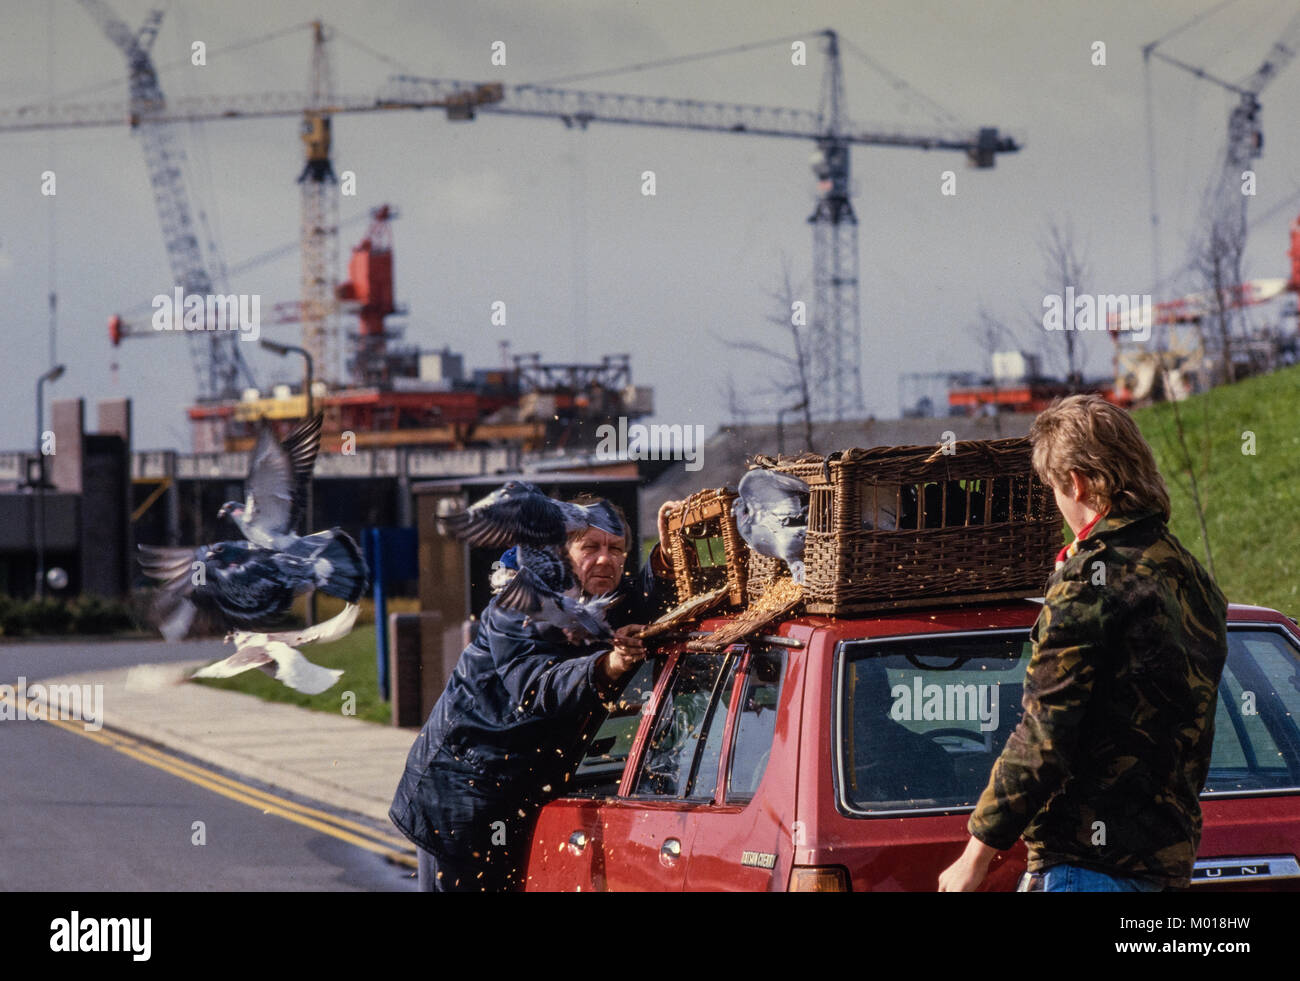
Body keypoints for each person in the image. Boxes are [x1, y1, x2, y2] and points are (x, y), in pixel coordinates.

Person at [937, 394, 1228, 892]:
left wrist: (975, 855)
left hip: (1086, 866)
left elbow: (1044, 736)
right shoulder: (1189, 573)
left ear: (1076, 481)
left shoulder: (1089, 579)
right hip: (1166, 865)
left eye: (1054, 487)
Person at [389, 495, 679, 891]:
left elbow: (643, 603)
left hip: (522, 792)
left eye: (616, 549)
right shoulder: (519, 606)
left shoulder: (603, 598)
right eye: (590, 547)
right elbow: (536, 686)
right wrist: (609, 665)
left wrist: (665, 555)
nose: (605, 559)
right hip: (463, 792)